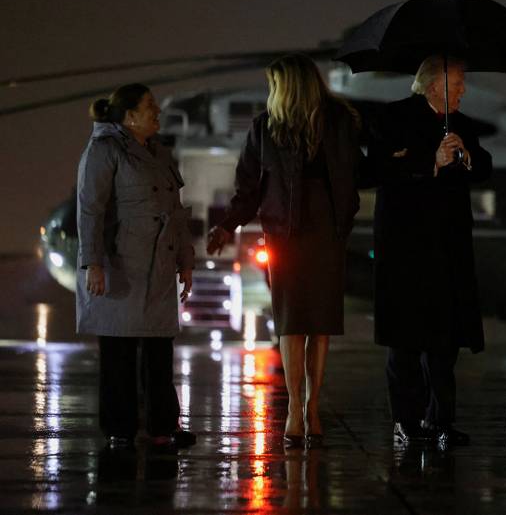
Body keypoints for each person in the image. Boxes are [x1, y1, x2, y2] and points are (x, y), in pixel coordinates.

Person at [207, 53, 363, 449]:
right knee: (293, 322)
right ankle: (297, 406)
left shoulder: (340, 121)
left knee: (321, 323)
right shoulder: (265, 129)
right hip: (285, 234)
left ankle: (312, 405)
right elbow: (248, 189)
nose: (270, 90)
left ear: (290, 85)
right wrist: (227, 225)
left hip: (328, 231)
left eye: (274, 83)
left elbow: (359, 170)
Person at [369, 55, 492, 449]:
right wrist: (429, 161)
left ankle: (441, 420)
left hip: (449, 250)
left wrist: (467, 156)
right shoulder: (392, 118)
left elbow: (486, 165)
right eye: (457, 84)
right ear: (433, 85)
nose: (462, 91)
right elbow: (372, 171)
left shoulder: (463, 125)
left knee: (445, 343)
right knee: (406, 342)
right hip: (406, 251)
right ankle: (406, 421)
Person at [76, 83, 195, 449]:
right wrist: (92, 262)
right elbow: (90, 209)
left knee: (160, 351)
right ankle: (119, 429)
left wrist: (185, 262)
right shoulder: (104, 150)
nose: (157, 111)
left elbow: (175, 213)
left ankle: (162, 425)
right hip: (122, 264)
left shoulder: (157, 153)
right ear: (129, 116)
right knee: (119, 351)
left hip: (158, 266)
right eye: (149, 106)